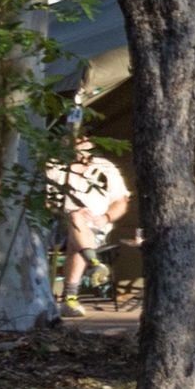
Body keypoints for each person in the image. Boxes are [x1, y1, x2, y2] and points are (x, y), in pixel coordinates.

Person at [47, 132, 128, 315]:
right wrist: (62, 211)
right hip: (56, 226)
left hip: (95, 229)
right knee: (75, 217)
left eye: (83, 139)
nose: (79, 143)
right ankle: (92, 264)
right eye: (74, 139)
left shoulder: (105, 169)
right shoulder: (53, 167)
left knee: (77, 242)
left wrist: (105, 217)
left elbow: (121, 201)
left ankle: (70, 299)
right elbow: (41, 199)